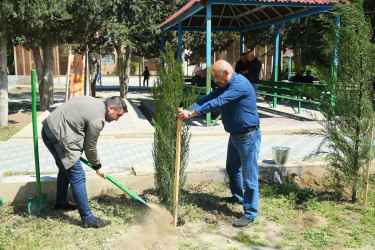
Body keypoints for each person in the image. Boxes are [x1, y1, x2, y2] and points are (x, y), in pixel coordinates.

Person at [178, 60, 261, 228]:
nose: (215, 80)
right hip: (235, 135)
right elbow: (209, 98)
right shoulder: (225, 84)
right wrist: (188, 109)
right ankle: (238, 197)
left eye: (216, 76)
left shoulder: (239, 85)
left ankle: (250, 212)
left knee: (250, 177)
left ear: (226, 73)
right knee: (232, 169)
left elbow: (217, 103)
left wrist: (193, 113)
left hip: (248, 136)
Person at [41, 96, 127, 228]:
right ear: (110, 108)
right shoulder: (98, 119)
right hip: (56, 133)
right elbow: (90, 147)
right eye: (118, 115)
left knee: (66, 169)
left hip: (51, 128)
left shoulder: (98, 104)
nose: (117, 119)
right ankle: (88, 218)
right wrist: (98, 166)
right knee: (77, 175)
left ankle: (61, 202)